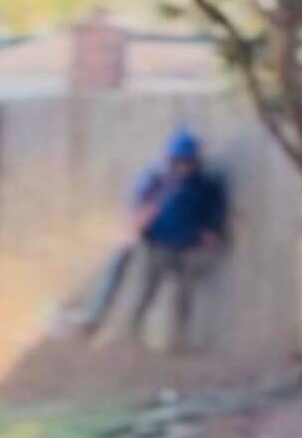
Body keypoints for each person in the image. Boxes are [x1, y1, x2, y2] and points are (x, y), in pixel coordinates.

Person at [58, 129, 227, 346]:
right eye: (179, 160)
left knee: (183, 296)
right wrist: (137, 226)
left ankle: (178, 340)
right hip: (158, 246)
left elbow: (214, 211)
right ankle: (132, 335)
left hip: (188, 247)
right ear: (171, 159)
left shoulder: (204, 185)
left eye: (187, 160)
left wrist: (211, 230)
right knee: (147, 292)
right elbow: (138, 206)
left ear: (195, 160)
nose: (183, 165)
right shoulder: (157, 181)